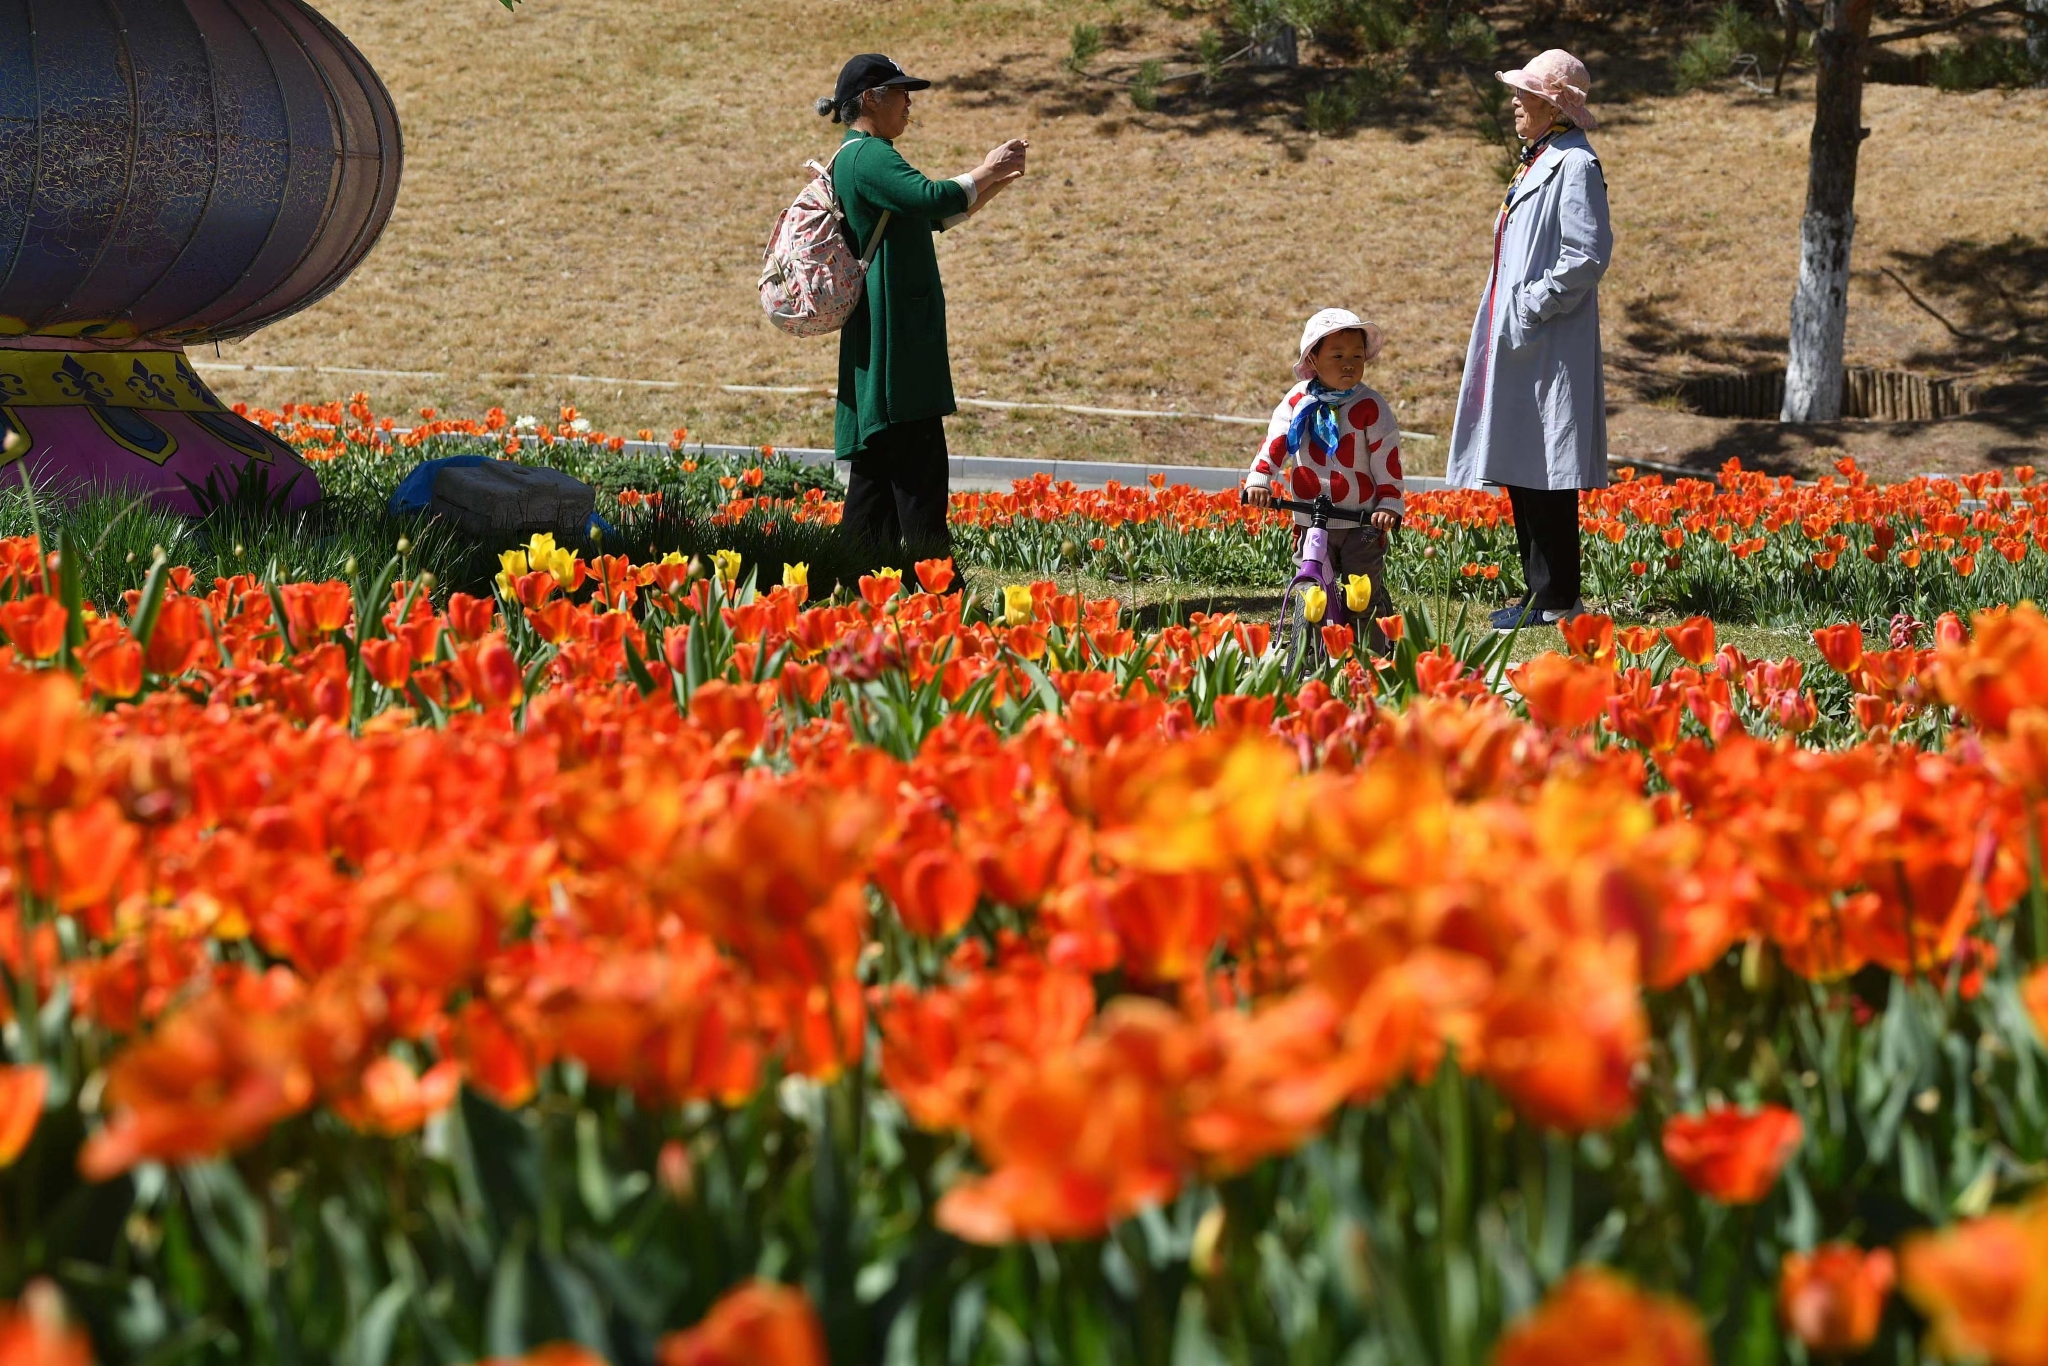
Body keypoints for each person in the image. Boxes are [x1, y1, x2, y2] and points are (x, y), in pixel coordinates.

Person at [818, 54, 1028, 569]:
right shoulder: (869, 156)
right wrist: (988, 168)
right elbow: (931, 196)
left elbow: (930, 215)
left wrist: (995, 179)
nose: (909, 103)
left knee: (874, 490)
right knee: (920, 476)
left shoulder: (860, 157)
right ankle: (939, 597)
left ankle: (850, 590)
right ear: (870, 99)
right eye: (901, 92)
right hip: (896, 354)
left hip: (887, 348)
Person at [1444, 49, 1613, 630]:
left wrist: (1531, 303)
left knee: (1547, 466)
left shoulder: (1574, 165)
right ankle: (1540, 594)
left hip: (1545, 338)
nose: (1514, 101)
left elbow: (1587, 255)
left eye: (1525, 94)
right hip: (1521, 337)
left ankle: (1557, 595)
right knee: (1524, 462)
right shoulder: (1541, 159)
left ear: (1550, 104)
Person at [1244, 307, 1405, 647]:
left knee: (1361, 594)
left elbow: (1386, 459)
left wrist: (1389, 502)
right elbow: (1276, 441)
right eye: (1337, 355)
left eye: (1357, 356)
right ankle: (1311, 655)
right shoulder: (1297, 400)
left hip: (1360, 519)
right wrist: (1260, 479)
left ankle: (1372, 656)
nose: (1349, 364)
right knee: (1310, 589)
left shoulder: (1371, 406)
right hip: (1310, 517)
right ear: (1313, 359)